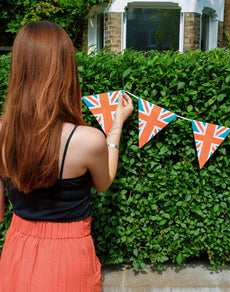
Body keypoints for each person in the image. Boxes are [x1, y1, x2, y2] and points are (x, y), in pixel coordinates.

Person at [0, 21, 133, 291]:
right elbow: (103, 183)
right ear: (65, 71)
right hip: (69, 258)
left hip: (17, 253)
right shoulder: (87, 140)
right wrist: (116, 126)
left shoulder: (2, 131)